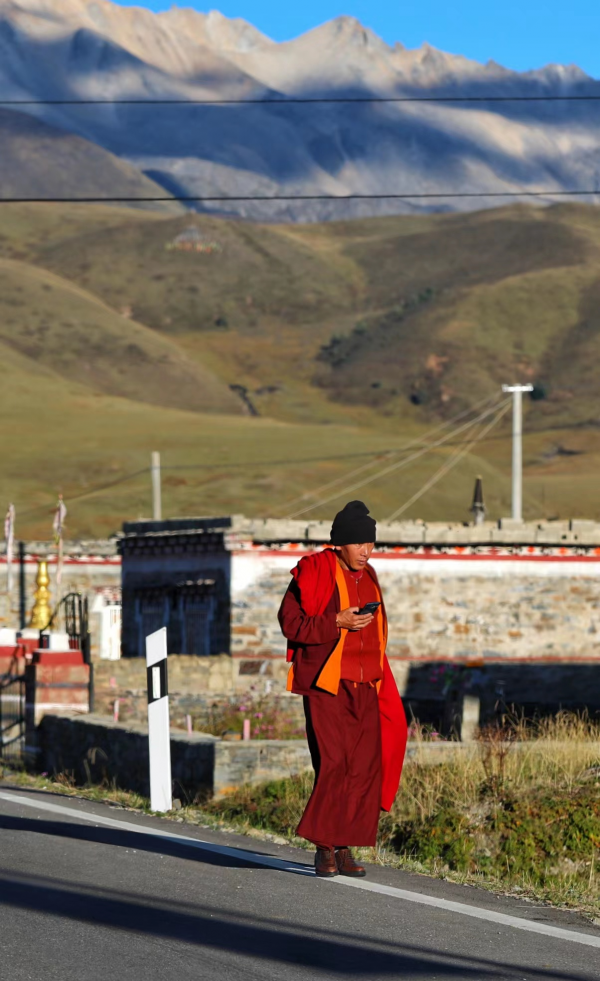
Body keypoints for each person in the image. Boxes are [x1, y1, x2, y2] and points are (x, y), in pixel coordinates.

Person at [278, 500, 407, 878]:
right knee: (334, 764)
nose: (366, 551)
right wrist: (336, 621)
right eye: (358, 544)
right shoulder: (314, 571)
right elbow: (291, 624)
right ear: (341, 543)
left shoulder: (370, 576)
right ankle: (324, 847)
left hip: (367, 685)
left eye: (370, 543)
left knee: (364, 769)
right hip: (328, 684)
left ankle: (345, 847)